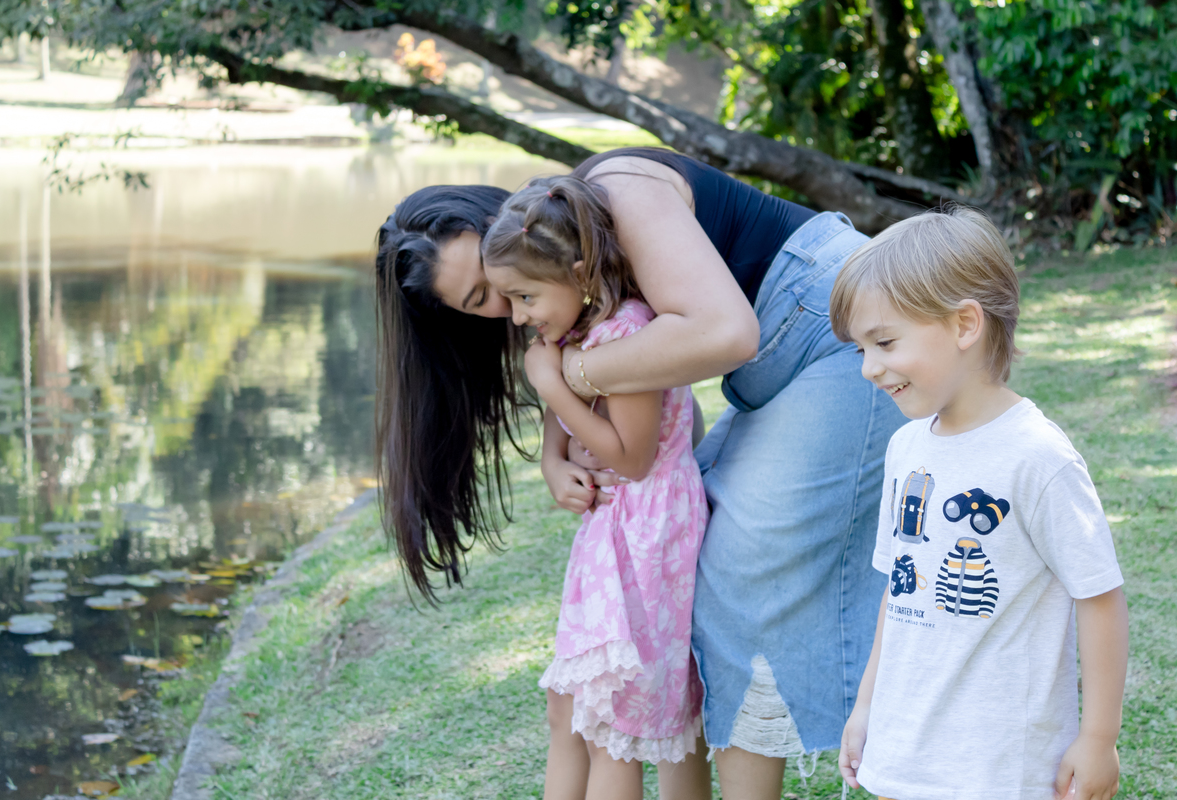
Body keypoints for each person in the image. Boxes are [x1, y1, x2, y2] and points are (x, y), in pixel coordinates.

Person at [375, 148, 907, 798]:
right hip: (774, 370)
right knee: (694, 588)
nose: (508, 311)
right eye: (481, 300)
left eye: (501, 283)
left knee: (741, 575)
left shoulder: (616, 194)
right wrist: (556, 447)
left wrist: (567, 378)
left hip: (849, 331)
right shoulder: (570, 279)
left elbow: (728, 332)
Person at [829, 206, 1129, 800]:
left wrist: (1098, 738)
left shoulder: (1037, 456)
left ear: (965, 324)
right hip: (906, 748)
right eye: (860, 349)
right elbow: (900, 590)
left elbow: (1099, 597)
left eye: (884, 341)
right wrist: (867, 707)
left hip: (1000, 765)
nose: (869, 368)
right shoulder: (905, 448)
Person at [482, 175, 710, 800]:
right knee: (577, 707)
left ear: (581, 273)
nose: (519, 316)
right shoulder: (583, 333)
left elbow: (632, 458)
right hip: (615, 531)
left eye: (525, 297)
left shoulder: (626, 337)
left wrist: (552, 387)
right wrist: (557, 440)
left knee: (619, 723)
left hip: (647, 532)